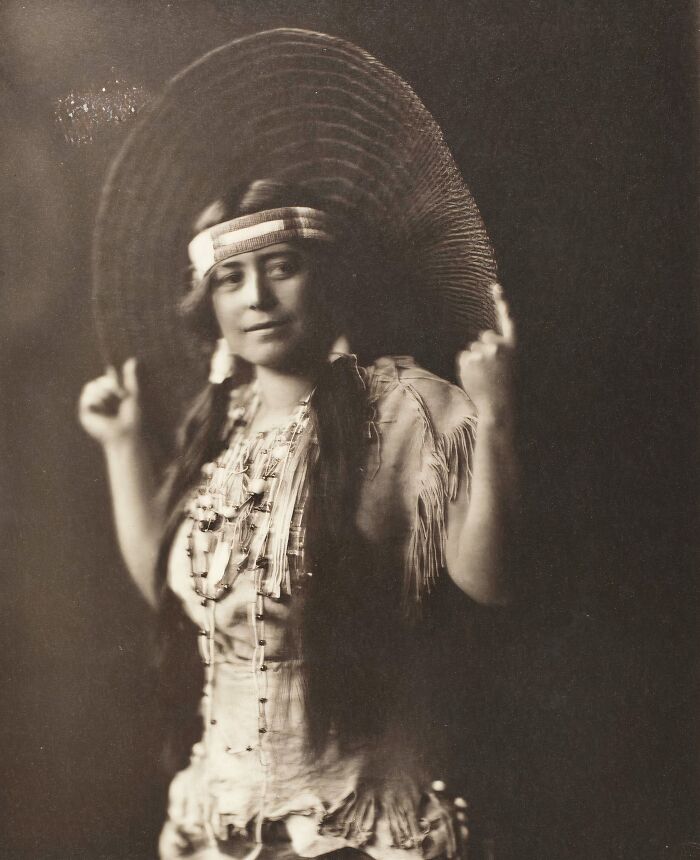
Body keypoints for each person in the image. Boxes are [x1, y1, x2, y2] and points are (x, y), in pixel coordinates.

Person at [79, 176, 516, 860]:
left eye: (281, 268)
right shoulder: (221, 426)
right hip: (222, 822)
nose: (256, 298)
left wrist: (495, 419)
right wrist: (122, 448)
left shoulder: (406, 408)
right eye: (230, 279)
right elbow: (177, 592)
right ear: (210, 304)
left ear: (328, 278)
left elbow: (491, 580)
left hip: (365, 825)